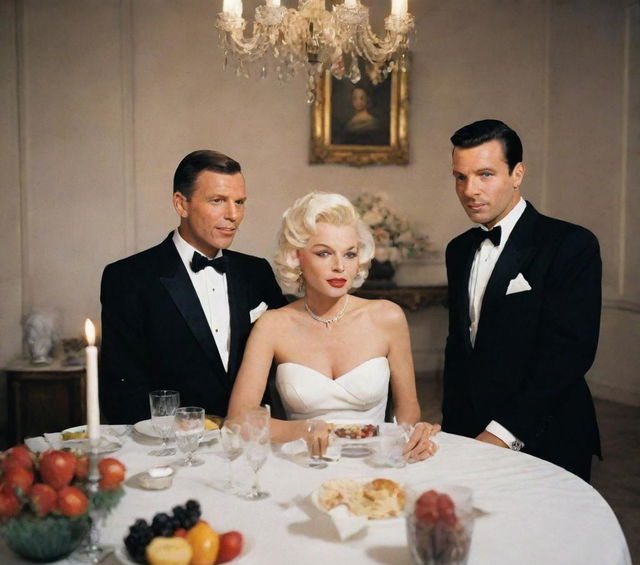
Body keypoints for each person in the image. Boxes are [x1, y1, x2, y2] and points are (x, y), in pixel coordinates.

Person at [442, 119, 602, 481]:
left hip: (547, 436)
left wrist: (499, 435)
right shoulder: (459, 250)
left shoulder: (571, 244)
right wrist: (453, 435)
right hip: (470, 434)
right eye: (460, 177)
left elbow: (568, 355)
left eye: (485, 174)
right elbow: (459, 350)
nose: (470, 190)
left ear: (517, 174)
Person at [227, 191, 439, 461]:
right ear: (297, 257)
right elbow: (238, 419)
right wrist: (303, 429)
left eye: (349, 254)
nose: (339, 266)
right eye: (324, 253)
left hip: (375, 463)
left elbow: (408, 410)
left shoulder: (388, 317)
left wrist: (411, 435)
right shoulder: (272, 325)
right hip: (302, 464)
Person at [100, 150, 287, 424]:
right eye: (217, 201)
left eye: (239, 202)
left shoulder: (256, 272)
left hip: (250, 444)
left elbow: (292, 351)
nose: (233, 215)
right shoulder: (128, 277)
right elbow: (122, 391)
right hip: (171, 451)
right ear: (181, 204)